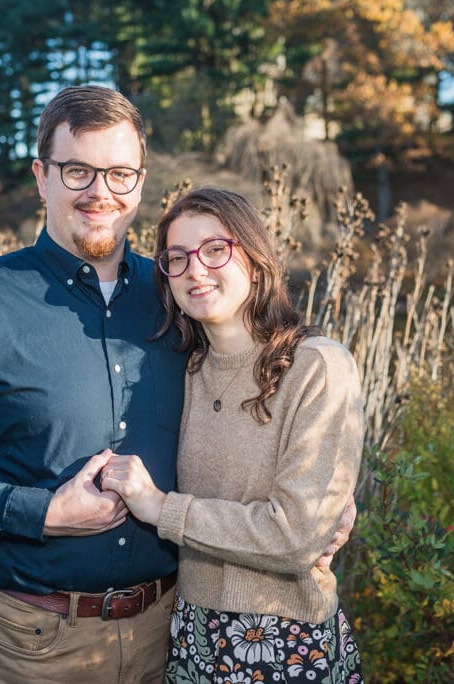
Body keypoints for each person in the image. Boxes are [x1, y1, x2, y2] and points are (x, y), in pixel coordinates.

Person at [0, 86, 352, 683]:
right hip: (30, 642)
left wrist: (321, 493)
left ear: (141, 182)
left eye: (120, 173)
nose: (101, 191)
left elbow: (254, 392)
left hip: (174, 631)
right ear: (42, 176)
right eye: (78, 170)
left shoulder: (179, 290)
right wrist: (39, 511)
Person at [102, 188, 365, 683]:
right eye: (176, 259)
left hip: (287, 640)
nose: (195, 270)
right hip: (191, 636)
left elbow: (294, 537)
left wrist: (161, 508)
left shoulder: (318, 367)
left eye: (215, 250)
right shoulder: (186, 369)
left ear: (256, 259)